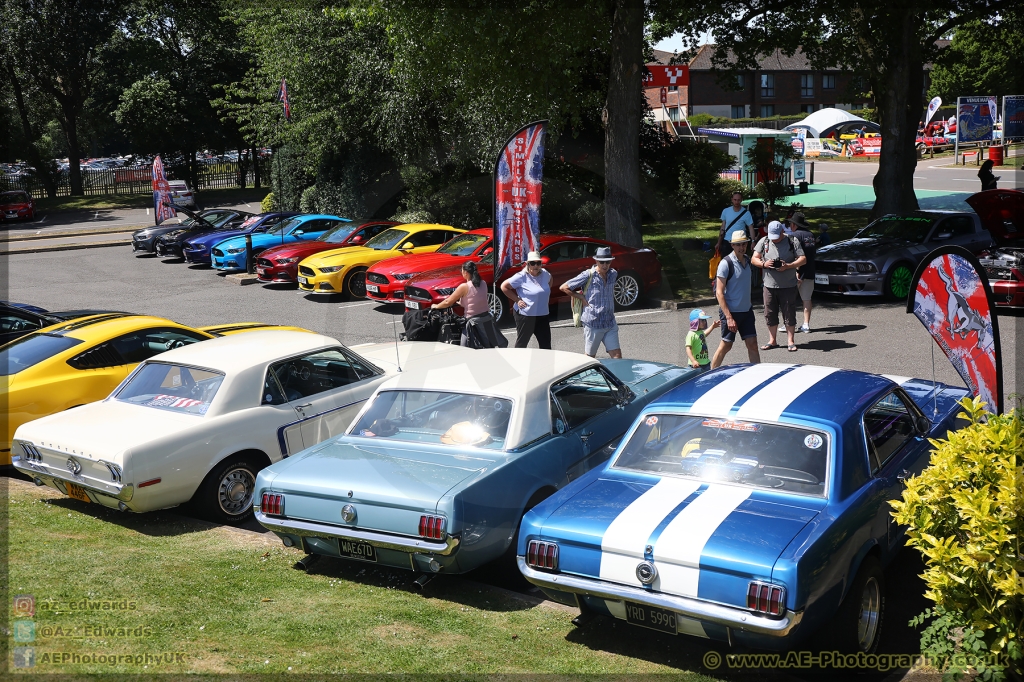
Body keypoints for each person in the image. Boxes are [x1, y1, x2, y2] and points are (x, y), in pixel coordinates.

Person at [752, 220, 805, 352]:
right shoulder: (764, 241)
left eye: (777, 236)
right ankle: (772, 340)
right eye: (772, 236)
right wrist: (764, 264)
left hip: (788, 285)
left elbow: (803, 259)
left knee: (789, 313)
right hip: (769, 285)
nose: (774, 239)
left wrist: (788, 266)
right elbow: (754, 259)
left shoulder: (792, 241)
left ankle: (790, 341)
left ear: (782, 231)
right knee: (769, 313)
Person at [711, 229, 761, 369]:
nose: (741, 247)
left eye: (743, 244)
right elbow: (719, 293)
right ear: (732, 245)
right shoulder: (725, 264)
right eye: (738, 244)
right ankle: (710, 374)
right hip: (730, 312)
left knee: (752, 344)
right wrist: (729, 317)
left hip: (746, 311)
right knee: (726, 345)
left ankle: (758, 375)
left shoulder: (748, 261)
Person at [561, 246, 621, 358]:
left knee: (617, 356)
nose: (605, 265)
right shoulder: (588, 275)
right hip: (594, 322)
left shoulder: (613, 274)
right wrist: (581, 297)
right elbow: (564, 287)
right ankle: (586, 375)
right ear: (596, 261)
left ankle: (616, 375)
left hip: (610, 322)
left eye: (607, 262)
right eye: (602, 262)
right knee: (589, 358)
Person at [500, 251, 552, 349]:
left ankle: (545, 363)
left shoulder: (545, 273)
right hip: (526, 315)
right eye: (533, 263)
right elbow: (504, 286)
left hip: (543, 314)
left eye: (538, 263)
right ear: (527, 264)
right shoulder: (521, 276)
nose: (536, 266)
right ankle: (518, 363)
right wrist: (517, 300)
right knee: (522, 344)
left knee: (546, 345)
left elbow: (550, 279)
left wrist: (545, 293)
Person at [431, 261, 488, 347]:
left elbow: (447, 302)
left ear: (465, 272)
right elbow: (476, 300)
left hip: (472, 322)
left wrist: (436, 306)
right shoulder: (483, 283)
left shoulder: (464, 286)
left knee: (464, 347)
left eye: (461, 270)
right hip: (486, 318)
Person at [785, 212, 817, 333]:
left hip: (796, 271)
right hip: (810, 270)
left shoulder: (794, 236)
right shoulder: (811, 235)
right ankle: (806, 324)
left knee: (789, 299)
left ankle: (788, 323)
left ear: (794, 224)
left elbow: (792, 254)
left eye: (790, 224)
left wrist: (796, 270)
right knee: (807, 298)